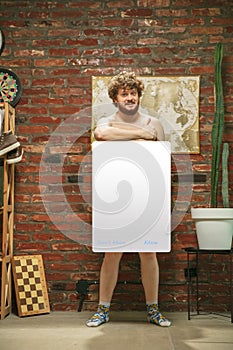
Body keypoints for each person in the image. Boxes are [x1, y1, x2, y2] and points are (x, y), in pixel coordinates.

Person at [86, 71, 171, 328]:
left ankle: (153, 310)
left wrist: (142, 136)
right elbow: (101, 136)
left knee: (149, 251)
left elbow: (160, 159)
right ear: (115, 98)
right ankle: (103, 310)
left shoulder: (154, 122)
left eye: (133, 93)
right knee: (112, 253)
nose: (130, 97)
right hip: (115, 198)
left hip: (147, 197)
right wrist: (141, 136)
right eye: (125, 93)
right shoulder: (105, 121)